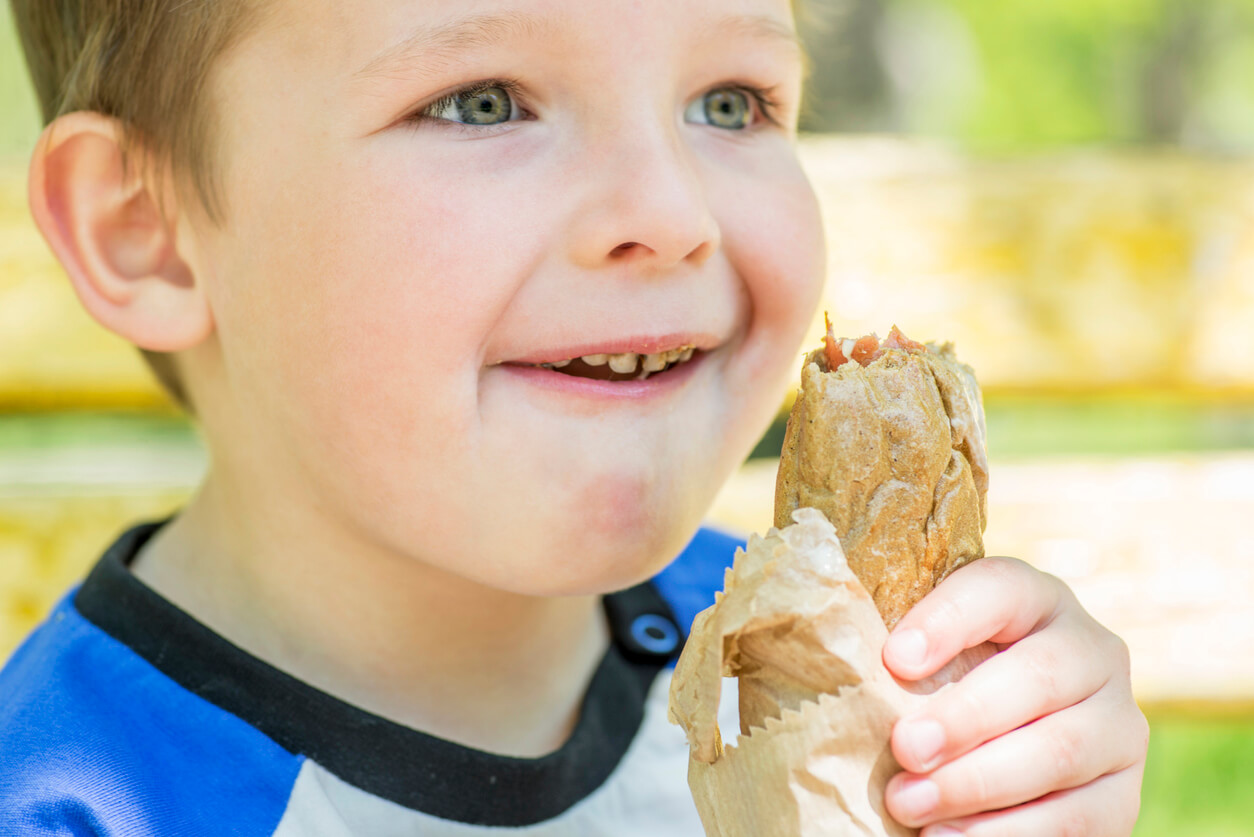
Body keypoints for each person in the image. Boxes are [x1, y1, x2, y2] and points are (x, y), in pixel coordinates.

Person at [0, 0, 1148, 834]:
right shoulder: (82, 800)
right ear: (141, 228)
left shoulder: (827, 671)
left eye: (731, 101)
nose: (669, 210)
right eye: (482, 102)